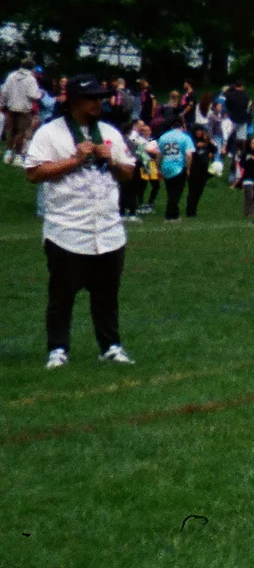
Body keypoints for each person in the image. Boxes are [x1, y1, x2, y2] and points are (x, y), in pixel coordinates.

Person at [23, 74, 139, 368]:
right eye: (91, 98)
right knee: (62, 296)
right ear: (74, 101)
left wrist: (111, 160)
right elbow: (33, 173)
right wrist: (74, 160)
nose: (98, 103)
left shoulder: (109, 132)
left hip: (108, 230)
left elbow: (128, 173)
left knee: (107, 296)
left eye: (100, 98)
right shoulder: (50, 134)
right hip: (66, 230)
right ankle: (58, 349)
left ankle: (110, 346)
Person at [159, 116, 203, 222]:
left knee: (170, 191)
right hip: (179, 167)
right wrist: (188, 168)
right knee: (176, 192)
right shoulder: (185, 137)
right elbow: (189, 154)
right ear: (181, 127)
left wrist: (158, 167)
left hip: (166, 166)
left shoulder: (163, 137)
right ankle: (170, 215)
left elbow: (159, 154)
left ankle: (174, 214)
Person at [2, 58, 41, 163]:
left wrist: (3, 104)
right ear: (32, 67)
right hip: (24, 109)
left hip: (11, 107)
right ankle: (18, 157)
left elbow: (4, 91)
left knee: (12, 131)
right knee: (21, 133)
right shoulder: (31, 79)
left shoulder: (11, 76)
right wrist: (40, 95)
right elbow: (34, 95)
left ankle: (8, 155)